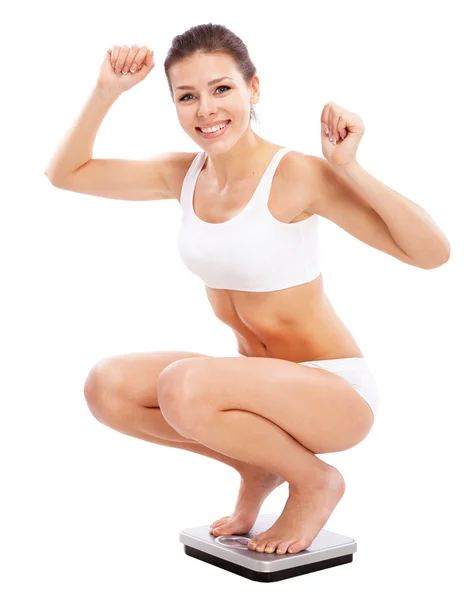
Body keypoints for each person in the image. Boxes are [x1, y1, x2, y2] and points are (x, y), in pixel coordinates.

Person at [45, 24, 450, 555]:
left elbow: (431, 253)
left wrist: (350, 169)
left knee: (183, 385)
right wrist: (106, 91)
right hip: (251, 392)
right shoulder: (182, 174)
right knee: (109, 386)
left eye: (222, 89)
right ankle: (256, 465)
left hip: (332, 392)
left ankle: (314, 481)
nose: (206, 110)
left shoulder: (296, 175)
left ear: (252, 89)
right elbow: (66, 173)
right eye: (187, 96)